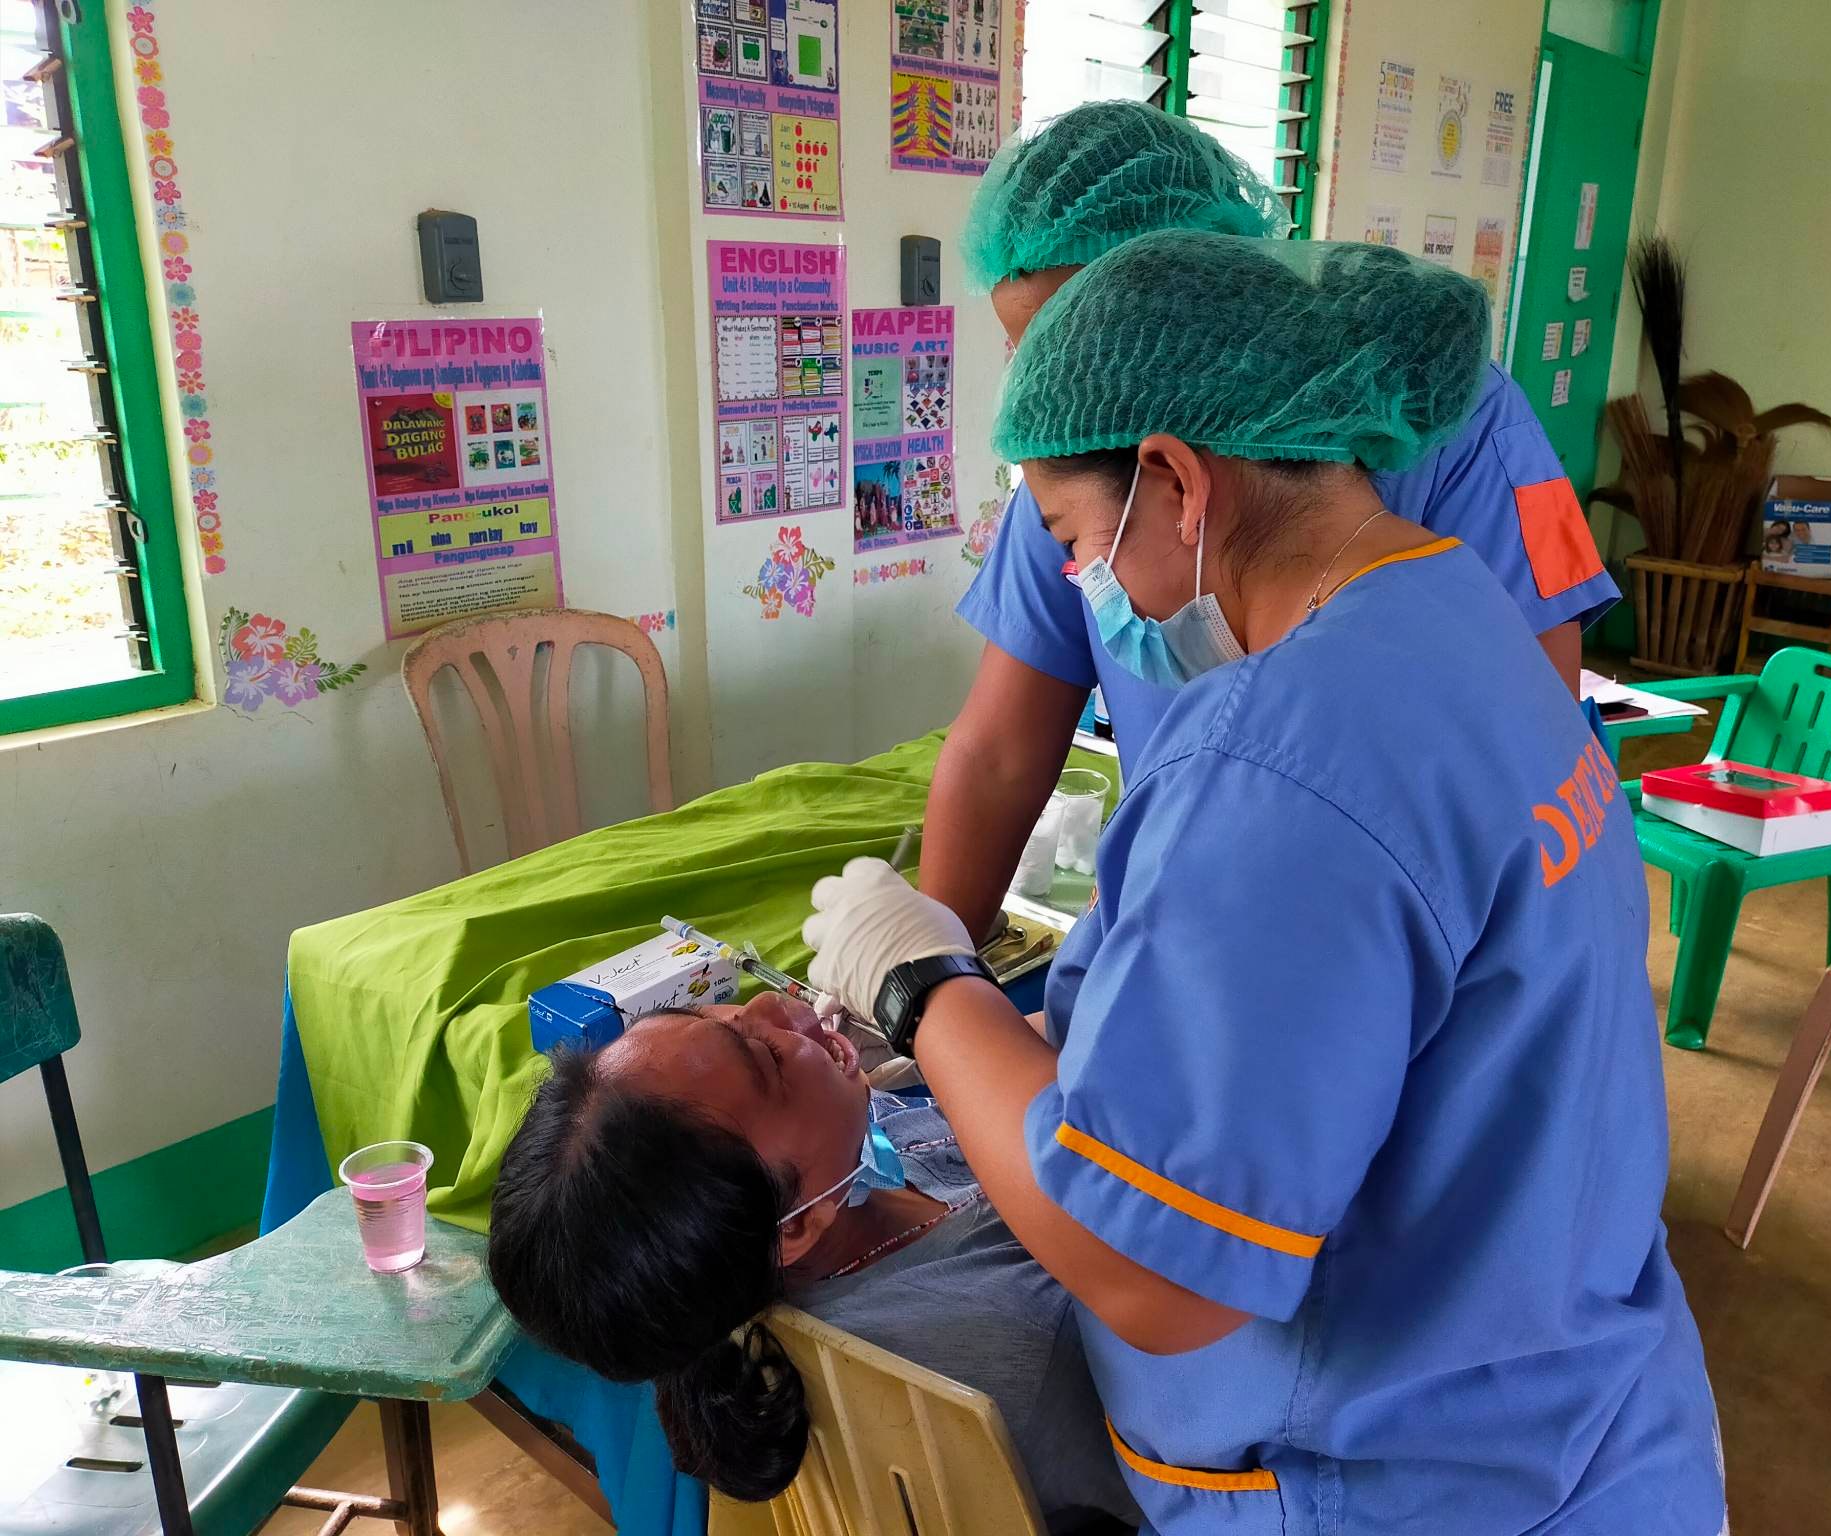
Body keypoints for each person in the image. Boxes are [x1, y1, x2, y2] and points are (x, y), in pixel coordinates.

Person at [803, 233, 1725, 1535]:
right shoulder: (1454, 610)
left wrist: (924, 988)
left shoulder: (1277, 761)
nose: (1081, 585)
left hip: (1400, 1483)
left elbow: (1156, 1278)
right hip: (1582, 1418)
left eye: (1076, 538)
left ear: (1177, 482)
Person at [926, 99, 1618, 938]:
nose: (1061, 393)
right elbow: (998, 753)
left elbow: (1523, 756)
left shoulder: (1460, 428)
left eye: (1087, 344)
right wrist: (924, 958)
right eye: (1034, 358)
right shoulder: (1085, 477)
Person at [486, 990, 1139, 1531]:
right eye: (766, 1055)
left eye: (715, 1015)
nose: (773, 1003)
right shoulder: (1026, 1341)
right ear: (794, 1224)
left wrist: (954, 1042)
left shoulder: (829, 1181)